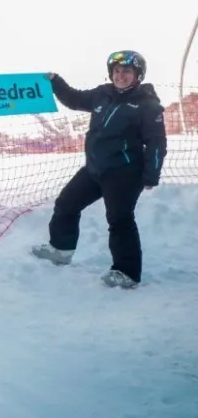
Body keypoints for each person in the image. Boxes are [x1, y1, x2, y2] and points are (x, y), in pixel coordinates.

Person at [31, 51, 166, 289]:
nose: (120, 75)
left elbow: (157, 143)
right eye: (116, 71)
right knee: (66, 204)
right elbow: (74, 99)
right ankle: (60, 250)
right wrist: (56, 81)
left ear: (137, 75)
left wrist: (151, 175)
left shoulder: (147, 105)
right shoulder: (103, 94)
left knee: (120, 219)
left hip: (124, 172)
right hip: (95, 168)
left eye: (126, 71)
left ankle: (127, 273)